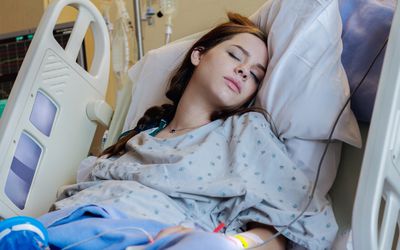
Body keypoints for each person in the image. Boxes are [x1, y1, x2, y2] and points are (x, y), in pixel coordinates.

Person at [38, 12, 336, 250]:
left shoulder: (244, 133)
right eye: (236, 56)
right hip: (68, 221)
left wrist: (233, 243)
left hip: (148, 235)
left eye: (256, 74)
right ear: (198, 55)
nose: (245, 70)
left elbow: (290, 225)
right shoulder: (144, 133)